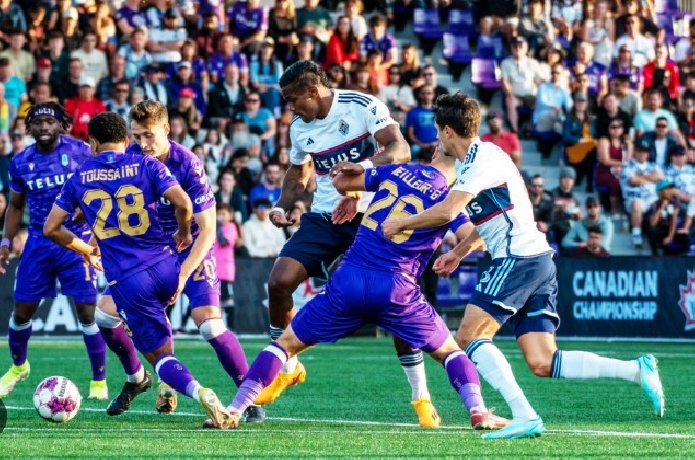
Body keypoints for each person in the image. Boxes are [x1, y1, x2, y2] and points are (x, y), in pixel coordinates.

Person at [383, 93, 665, 439]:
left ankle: (524, 414)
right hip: (537, 260)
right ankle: (637, 370)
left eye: (439, 133)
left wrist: (400, 224)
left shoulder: (482, 158)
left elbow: (447, 212)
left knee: (470, 335)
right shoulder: (478, 162)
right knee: (542, 360)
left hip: (518, 258)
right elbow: (490, 221)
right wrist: (459, 253)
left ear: (446, 131)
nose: (437, 142)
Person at [212, 150, 507, 432]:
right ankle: (478, 410)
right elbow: (474, 238)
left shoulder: (399, 170)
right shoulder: (451, 199)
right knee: (450, 353)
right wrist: (457, 252)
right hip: (397, 289)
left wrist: (360, 175)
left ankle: (236, 409)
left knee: (283, 344)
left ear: (433, 155)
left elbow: (341, 181)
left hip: (350, 279)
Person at [263, 60, 439, 427]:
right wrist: (285, 206)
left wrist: (362, 172)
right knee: (279, 281)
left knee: (390, 297)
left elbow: (400, 149)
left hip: (371, 214)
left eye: (293, 98)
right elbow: (299, 172)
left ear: (313, 91)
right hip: (325, 215)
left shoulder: (361, 106)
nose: (290, 108)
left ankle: (421, 396)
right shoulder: (299, 127)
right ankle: (290, 367)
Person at [43, 111, 231, 429]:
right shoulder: (145, 164)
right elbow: (182, 203)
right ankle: (138, 378)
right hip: (169, 259)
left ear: (91, 143)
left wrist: (87, 249)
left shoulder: (81, 176)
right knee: (104, 315)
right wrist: (185, 232)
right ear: (127, 139)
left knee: (161, 349)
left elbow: (52, 228)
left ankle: (183, 386)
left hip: (130, 274)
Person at [92, 101, 261, 421]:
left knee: (209, 324)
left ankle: (250, 396)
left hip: (193, 247)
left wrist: (183, 275)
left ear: (167, 130)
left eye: (149, 136)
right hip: (150, 253)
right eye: (136, 136)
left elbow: (209, 229)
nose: (143, 144)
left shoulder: (188, 164)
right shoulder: (132, 159)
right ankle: (137, 378)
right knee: (103, 317)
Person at [0, 103, 108, 400]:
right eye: (37, 122)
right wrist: (6, 242)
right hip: (38, 242)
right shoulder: (20, 162)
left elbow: (100, 189)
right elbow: (16, 206)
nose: (44, 127)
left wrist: (88, 215)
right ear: (29, 128)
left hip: (76, 242)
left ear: (63, 125)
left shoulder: (83, 153)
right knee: (21, 312)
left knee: (87, 312)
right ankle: (19, 366)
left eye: (50, 121)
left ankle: (99, 381)